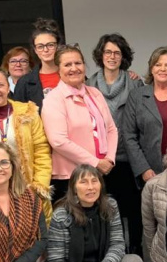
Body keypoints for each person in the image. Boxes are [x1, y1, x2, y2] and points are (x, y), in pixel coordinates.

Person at [0, 66, 52, 218]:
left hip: (26, 188)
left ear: (8, 86)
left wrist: (39, 185)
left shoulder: (28, 113)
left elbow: (41, 150)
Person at [40, 45, 118, 204]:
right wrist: (95, 162)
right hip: (70, 177)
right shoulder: (54, 99)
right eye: (67, 65)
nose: (74, 68)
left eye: (78, 63)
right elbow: (58, 141)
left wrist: (109, 159)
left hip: (99, 175)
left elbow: (111, 129)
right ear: (58, 69)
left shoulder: (94, 93)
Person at [88, 33, 144, 254]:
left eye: (117, 53)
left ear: (123, 57)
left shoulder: (134, 82)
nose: (112, 56)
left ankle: (136, 246)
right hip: (102, 157)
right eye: (108, 52)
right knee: (109, 206)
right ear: (101, 55)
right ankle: (115, 248)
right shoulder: (89, 84)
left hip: (129, 153)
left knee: (134, 206)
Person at [122, 48, 167, 191]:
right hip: (151, 172)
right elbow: (129, 136)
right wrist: (143, 169)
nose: (162, 69)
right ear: (151, 68)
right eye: (158, 65)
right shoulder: (136, 96)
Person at [13, 17, 64, 107]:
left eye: (50, 45)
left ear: (58, 46)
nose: (45, 50)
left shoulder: (72, 74)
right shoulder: (25, 83)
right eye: (40, 46)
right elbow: (19, 115)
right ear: (35, 50)